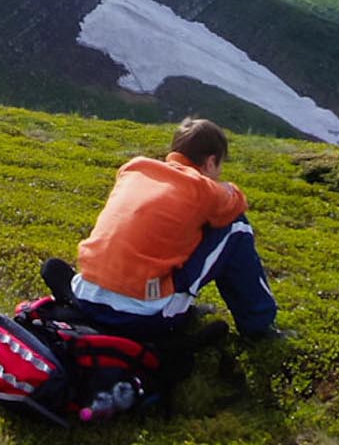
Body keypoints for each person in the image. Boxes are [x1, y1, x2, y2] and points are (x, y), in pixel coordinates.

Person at [69, 118, 279, 340]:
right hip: (137, 317)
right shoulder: (203, 188)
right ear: (210, 162)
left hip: (83, 296)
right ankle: (258, 324)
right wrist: (224, 187)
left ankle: (179, 306)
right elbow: (236, 203)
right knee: (237, 227)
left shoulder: (135, 168)